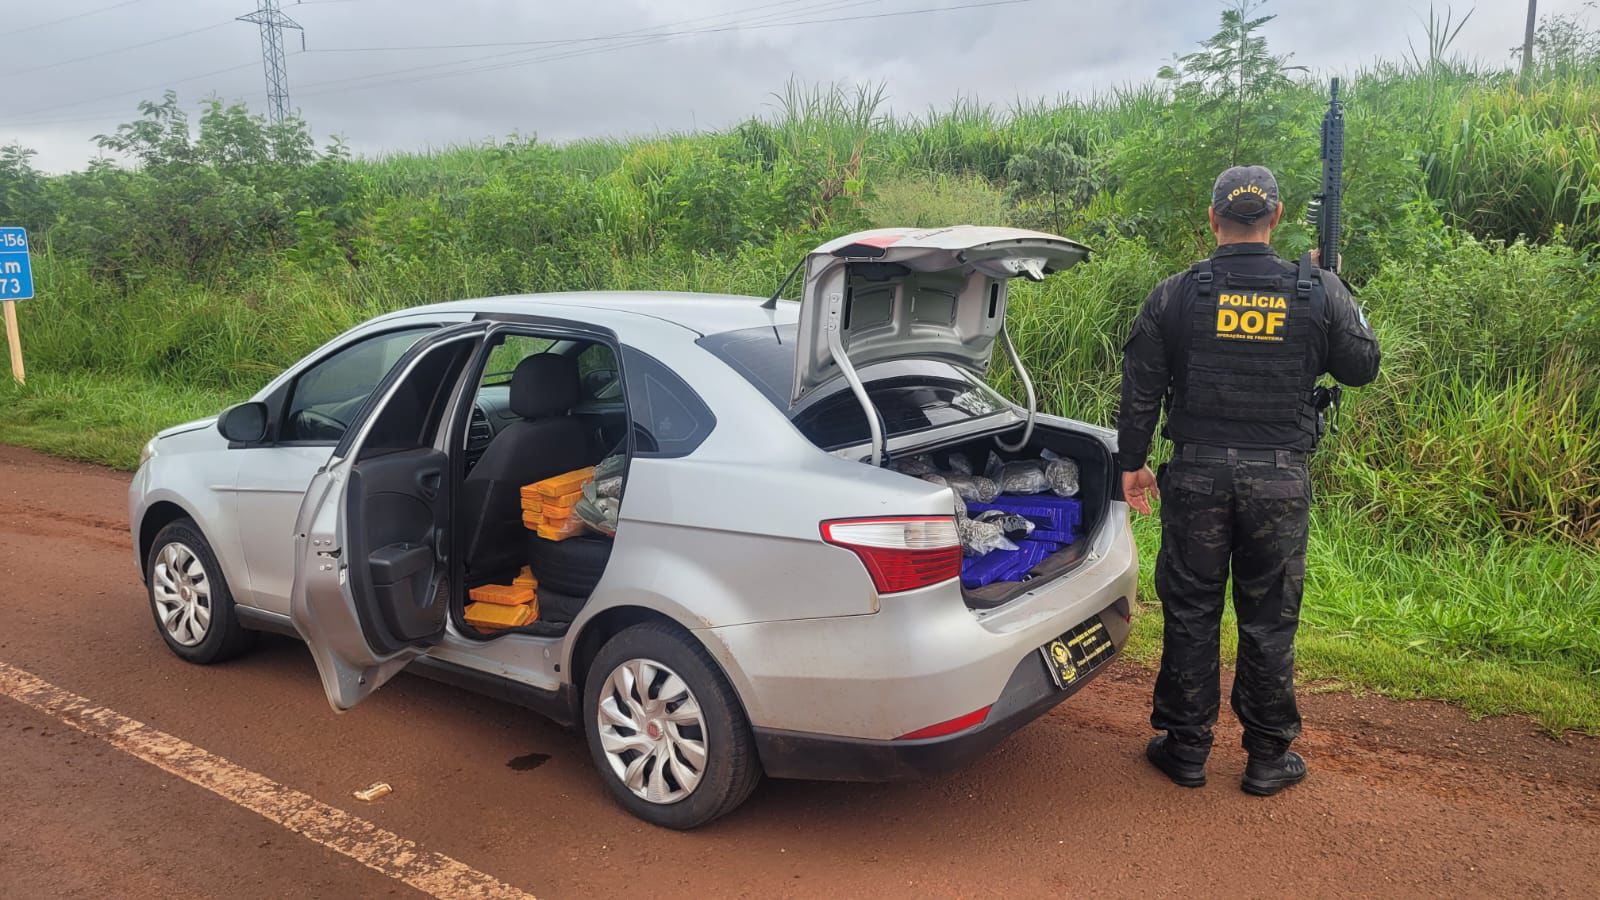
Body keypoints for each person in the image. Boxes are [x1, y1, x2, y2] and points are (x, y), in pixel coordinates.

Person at [1116, 165, 1380, 796]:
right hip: (1279, 480)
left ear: (1213, 220)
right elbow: (1361, 366)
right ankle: (1266, 756)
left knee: (1191, 609)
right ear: (1277, 218)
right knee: (1268, 616)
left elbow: (1140, 391)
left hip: (1198, 475)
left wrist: (1132, 463)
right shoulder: (1317, 290)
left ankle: (1185, 748)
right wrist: (1334, 281)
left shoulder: (1178, 293)